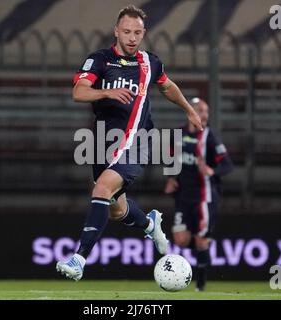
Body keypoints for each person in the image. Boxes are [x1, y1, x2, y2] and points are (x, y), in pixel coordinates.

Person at [56, 5, 203, 281]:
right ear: (116, 31)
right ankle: (150, 224)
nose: (132, 38)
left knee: (101, 188)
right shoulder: (100, 60)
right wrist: (106, 92)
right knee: (116, 209)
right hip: (103, 143)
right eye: (127, 32)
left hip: (137, 140)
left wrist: (189, 109)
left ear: (143, 33)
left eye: (137, 32)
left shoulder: (150, 62)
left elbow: (167, 85)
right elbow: (79, 92)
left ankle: (79, 259)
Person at [164, 97, 233, 291]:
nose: (204, 115)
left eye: (206, 111)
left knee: (201, 239)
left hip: (205, 196)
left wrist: (212, 171)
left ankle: (200, 285)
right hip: (183, 196)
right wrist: (171, 178)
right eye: (200, 110)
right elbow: (170, 158)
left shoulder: (210, 137)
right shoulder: (177, 135)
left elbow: (227, 165)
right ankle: (204, 249)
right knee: (180, 239)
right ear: (190, 112)